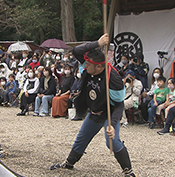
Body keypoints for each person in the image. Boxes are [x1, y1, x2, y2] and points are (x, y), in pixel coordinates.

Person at [50, 34, 136, 177]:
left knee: (112, 141)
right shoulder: (89, 66)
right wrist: (97, 43)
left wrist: (113, 125)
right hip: (94, 111)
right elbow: (77, 51)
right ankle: (69, 163)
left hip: (109, 112)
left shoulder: (113, 79)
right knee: (81, 138)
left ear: (99, 67)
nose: (84, 66)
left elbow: (119, 106)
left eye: (88, 65)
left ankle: (129, 171)